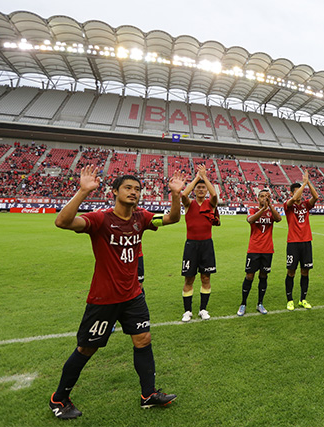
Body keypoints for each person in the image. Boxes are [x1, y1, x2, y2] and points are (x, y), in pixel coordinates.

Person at [49, 166, 183, 419]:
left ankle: (148, 394)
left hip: (133, 295)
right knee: (86, 349)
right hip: (104, 299)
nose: (134, 192)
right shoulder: (100, 219)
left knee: (143, 339)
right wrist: (83, 191)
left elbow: (172, 219)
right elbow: (62, 222)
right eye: (128, 188)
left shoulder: (141, 218)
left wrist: (176, 195)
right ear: (114, 192)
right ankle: (59, 398)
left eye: (137, 189)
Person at [180, 164, 219, 322]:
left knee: (206, 278)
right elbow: (183, 195)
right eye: (199, 188)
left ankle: (203, 309)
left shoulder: (211, 204)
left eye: (203, 187)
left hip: (206, 245)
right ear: (195, 190)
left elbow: (214, 194)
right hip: (191, 245)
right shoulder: (189, 204)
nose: (201, 190)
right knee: (189, 279)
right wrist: (197, 177)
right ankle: (187, 311)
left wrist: (205, 177)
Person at [238, 188, 282, 316]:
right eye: (262, 196)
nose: (264, 198)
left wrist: (270, 206)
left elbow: (278, 219)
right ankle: (243, 304)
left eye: (267, 196)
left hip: (267, 250)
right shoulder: (253, 210)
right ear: (258, 198)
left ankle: (260, 303)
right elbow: (250, 220)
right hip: (254, 249)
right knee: (249, 276)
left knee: (263, 276)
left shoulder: (271, 212)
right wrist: (263, 209)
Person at [284, 171, 319, 310]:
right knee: (291, 272)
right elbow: (294, 199)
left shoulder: (305, 205)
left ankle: (303, 299)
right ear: (292, 193)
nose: (301, 194)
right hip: (293, 242)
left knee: (305, 271)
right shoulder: (289, 205)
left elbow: (315, 196)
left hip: (306, 242)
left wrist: (308, 182)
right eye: (297, 192)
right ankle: (290, 300)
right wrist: (303, 184)